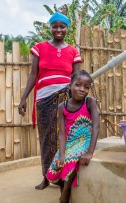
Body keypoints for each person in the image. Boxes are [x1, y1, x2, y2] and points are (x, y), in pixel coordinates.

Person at [18, 12, 82, 190]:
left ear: (67, 28)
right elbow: (33, 74)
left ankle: (64, 176)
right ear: (50, 27)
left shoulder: (73, 52)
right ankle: (46, 176)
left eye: (62, 26)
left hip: (66, 100)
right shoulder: (39, 48)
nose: (59, 29)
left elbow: (76, 78)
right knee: (46, 138)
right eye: (55, 26)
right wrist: (23, 98)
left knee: (65, 137)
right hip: (44, 99)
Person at [46, 70, 100, 203]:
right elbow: (62, 134)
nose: (82, 89)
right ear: (70, 85)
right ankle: (63, 186)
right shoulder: (62, 107)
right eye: (78, 85)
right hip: (70, 142)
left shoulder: (90, 102)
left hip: (84, 141)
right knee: (52, 172)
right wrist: (62, 155)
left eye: (86, 87)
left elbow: (96, 127)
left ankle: (65, 195)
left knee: (69, 164)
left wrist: (89, 152)